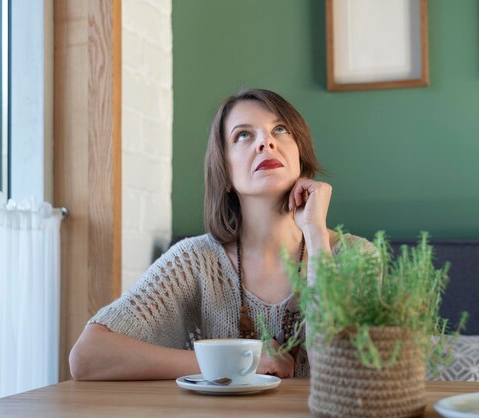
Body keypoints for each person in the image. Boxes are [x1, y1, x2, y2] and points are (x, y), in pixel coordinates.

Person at [69, 88, 371, 380]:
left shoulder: (358, 257)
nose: (265, 142)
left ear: (300, 157)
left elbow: (342, 372)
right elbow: (86, 356)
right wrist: (237, 360)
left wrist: (316, 236)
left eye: (279, 129)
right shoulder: (193, 261)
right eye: (243, 135)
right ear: (225, 172)